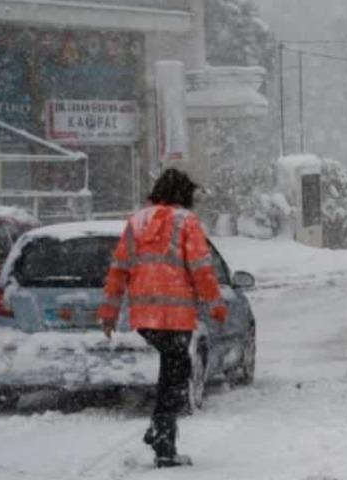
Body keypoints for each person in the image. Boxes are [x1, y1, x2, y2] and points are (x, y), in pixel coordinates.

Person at [97, 168, 227, 468]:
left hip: (145, 317)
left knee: (172, 371)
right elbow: (201, 269)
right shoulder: (186, 222)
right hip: (176, 316)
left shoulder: (137, 221)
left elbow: (119, 269)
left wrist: (109, 313)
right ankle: (162, 438)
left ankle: (161, 435)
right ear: (183, 194)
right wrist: (216, 306)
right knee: (176, 375)